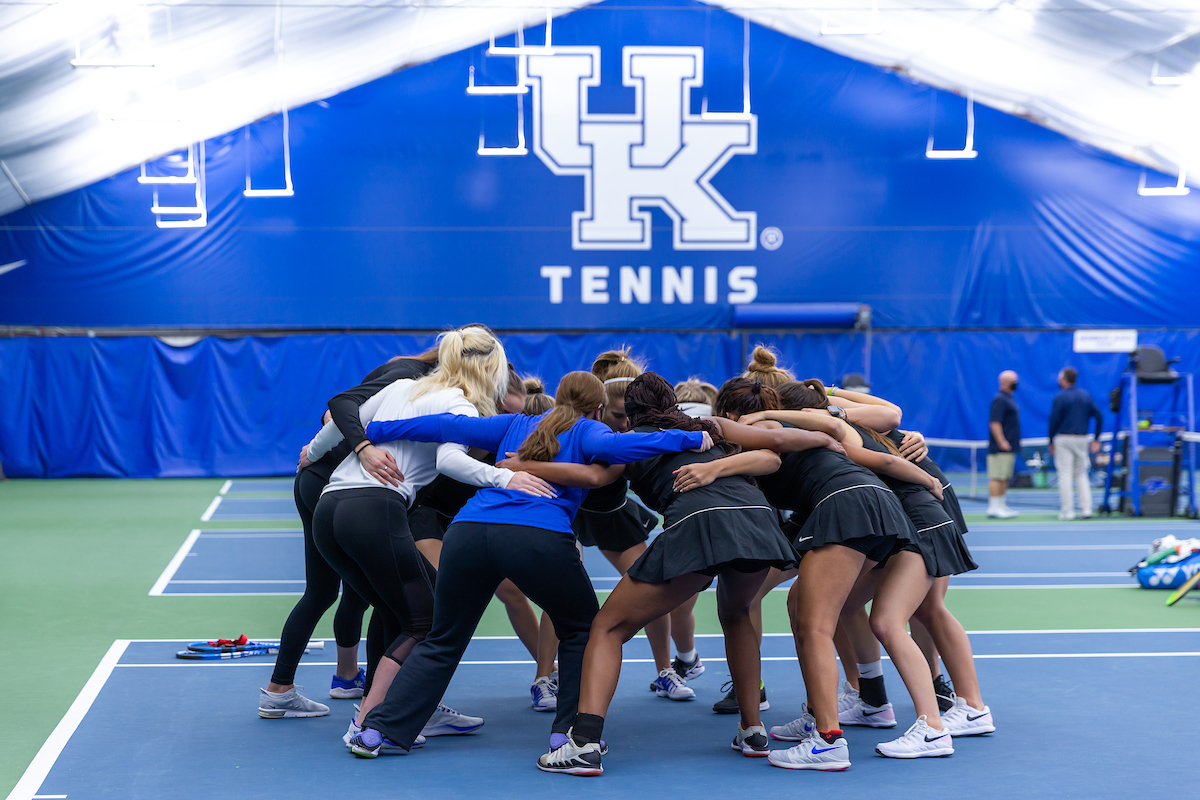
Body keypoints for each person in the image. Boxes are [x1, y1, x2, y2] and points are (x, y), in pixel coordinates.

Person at [343, 371, 713, 759]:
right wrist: (691, 438)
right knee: (583, 630)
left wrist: (375, 430)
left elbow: (444, 426)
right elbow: (627, 446)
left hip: (468, 533)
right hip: (535, 536)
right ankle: (567, 735)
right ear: (599, 408)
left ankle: (378, 732)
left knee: (442, 638)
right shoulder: (589, 430)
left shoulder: (513, 424)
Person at [535, 373, 823, 775]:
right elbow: (775, 448)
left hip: (699, 525)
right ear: (672, 403)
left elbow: (593, 479)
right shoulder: (709, 427)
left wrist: (519, 466)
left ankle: (583, 744)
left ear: (630, 414)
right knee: (737, 614)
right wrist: (833, 436)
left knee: (608, 627)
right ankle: (753, 730)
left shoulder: (627, 444)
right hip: (758, 522)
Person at [308, 327, 555, 748]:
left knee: (398, 611)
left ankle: (404, 707)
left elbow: (335, 427)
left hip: (329, 511)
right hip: (374, 510)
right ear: (490, 369)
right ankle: (367, 721)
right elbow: (449, 461)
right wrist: (506, 477)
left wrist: (311, 454)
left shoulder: (401, 387)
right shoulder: (460, 405)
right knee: (428, 619)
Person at [713, 378, 953, 769]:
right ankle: (829, 712)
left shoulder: (765, 427)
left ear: (728, 413)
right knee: (802, 605)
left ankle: (828, 740)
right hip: (874, 508)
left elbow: (785, 448)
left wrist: (713, 461)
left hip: (848, 507)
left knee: (816, 626)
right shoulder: (800, 432)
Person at [258, 348, 438, 720]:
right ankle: (378, 702)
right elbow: (338, 409)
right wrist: (355, 447)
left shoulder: (420, 380)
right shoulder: (409, 372)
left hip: (324, 482)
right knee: (384, 600)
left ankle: (288, 688)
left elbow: (342, 412)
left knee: (329, 592)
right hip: (335, 481)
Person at [1048, 367, 1104, 520]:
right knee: (1081, 473)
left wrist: (1050, 440)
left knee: (1065, 473)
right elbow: (1099, 416)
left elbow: (1053, 420)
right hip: (1082, 439)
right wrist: (1096, 438)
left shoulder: (1060, 397)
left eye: (1060, 378)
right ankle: (1086, 509)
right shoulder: (1085, 395)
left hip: (1064, 438)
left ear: (1065, 379)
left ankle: (1068, 511)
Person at [987, 370, 1021, 519]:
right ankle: (993, 507)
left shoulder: (1009, 398)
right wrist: (1001, 441)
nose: (1016, 383)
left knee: (1005, 476)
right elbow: (995, 422)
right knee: (997, 476)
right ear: (1004, 382)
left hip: (1010, 446)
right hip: (1000, 448)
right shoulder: (999, 399)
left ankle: (1001, 505)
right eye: (1013, 380)